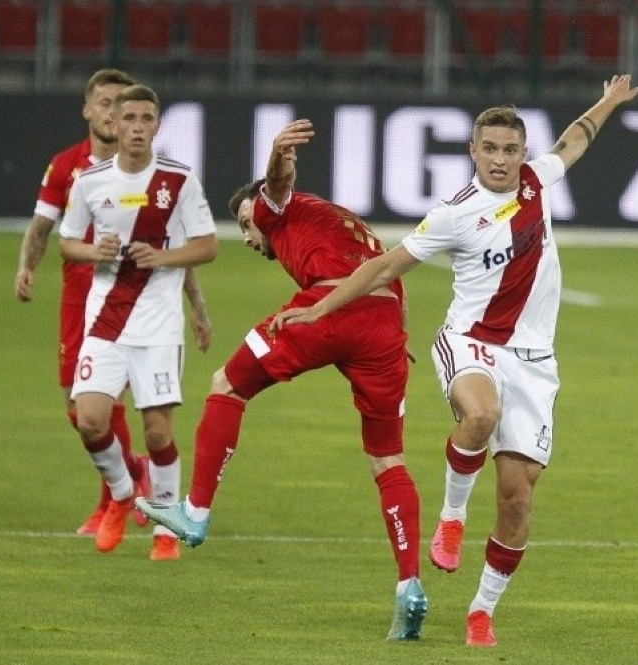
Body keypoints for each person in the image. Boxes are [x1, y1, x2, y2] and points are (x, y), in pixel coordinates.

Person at [272, 75, 638, 647]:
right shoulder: (453, 213)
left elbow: (575, 139)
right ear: (473, 151)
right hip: (470, 342)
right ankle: (451, 517)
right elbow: (386, 267)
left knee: (518, 500)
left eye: (510, 150)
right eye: (489, 148)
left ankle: (481, 612)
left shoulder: (539, 183)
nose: (500, 160)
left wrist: (610, 101)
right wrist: (323, 306)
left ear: (523, 153)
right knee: (481, 415)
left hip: (535, 361)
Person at [136, 119, 428, 640]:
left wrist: (276, 155)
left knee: (227, 383)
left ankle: (195, 512)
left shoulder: (278, 209)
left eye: (246, 226)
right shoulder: (342, 222)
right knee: (388, 457)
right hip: (385, 328)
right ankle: (410, 584)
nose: (250, 237)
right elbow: (385, 280)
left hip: (328, 306)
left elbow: (275, 186)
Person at [14, 69, 212, 559]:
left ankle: (161, 521)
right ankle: (123, 491)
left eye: (147, 118)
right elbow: (63, 239)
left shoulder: (178, 180)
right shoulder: (82, 178)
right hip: (98, 317)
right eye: (126, 116)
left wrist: (181, 285)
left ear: (156, 125)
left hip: (157, 323)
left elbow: (203, 246)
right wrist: (79, 254)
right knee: (87, 416)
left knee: (157, 429)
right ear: (109, 120)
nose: (135, 125)